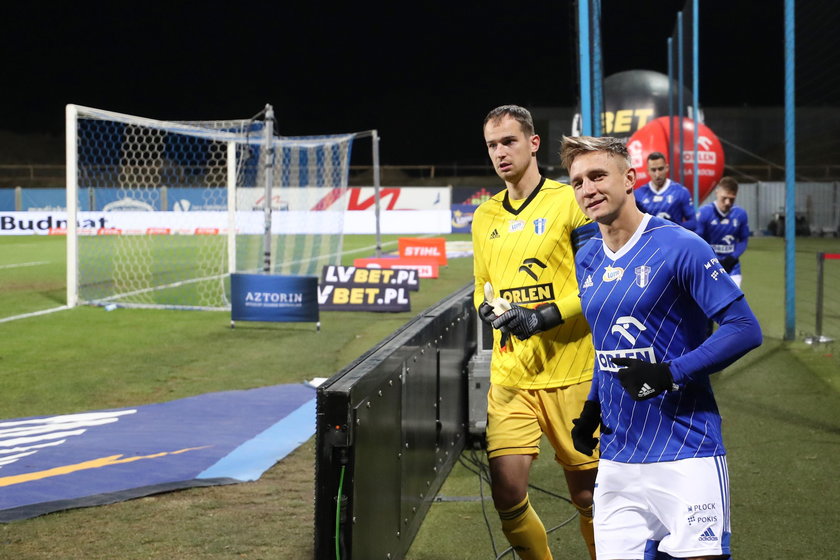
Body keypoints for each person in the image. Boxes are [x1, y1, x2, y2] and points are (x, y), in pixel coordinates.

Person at [559, 135, 762, 560]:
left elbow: (744, 328)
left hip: (686, 450)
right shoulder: (588, 257)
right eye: (577, 181)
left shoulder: (680, 245)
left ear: (629, 178)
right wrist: (593, 406)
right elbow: (607, 343)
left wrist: (670, 373)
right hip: (617, 458)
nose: (588, 189)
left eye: (598, 176)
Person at [472, 105, 599, 560]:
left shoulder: (570, 201)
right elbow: (480, 288)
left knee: (588, 498)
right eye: (492, 145)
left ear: (533, 143)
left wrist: (539, 317)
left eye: (508, 141)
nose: (500, 153)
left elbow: (596, 286)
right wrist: (490, 311)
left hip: (573, 374)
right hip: (510, 379)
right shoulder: (484, 216)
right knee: (507, 495)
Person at [695, 176, 751, 287]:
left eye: (731, 199)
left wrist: (732, 258)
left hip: (732, 268)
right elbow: (697, 240)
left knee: (733, 303)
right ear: (717, 193)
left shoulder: (740, 214)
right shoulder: (704, 213)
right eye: (724, 198)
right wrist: (710, 259)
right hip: (709, 266)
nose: (727, 202)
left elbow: (743, 240)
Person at [634, 151, 697, 230]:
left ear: (667, 168)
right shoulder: (638, 194)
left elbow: (693, 223)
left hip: (673, 240)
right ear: (648, 171)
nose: (657, 174)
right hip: (649, 241)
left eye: (660, 169)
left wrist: (672, 228)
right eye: (653, 170)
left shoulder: (681, 192)